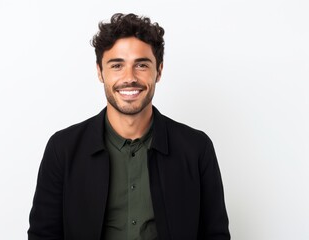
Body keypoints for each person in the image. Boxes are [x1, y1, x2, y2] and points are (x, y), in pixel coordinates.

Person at [28, 13, 230, 240]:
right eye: (117, 65)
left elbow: (215, 235)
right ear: (99, 71)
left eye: (141, 65)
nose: (129, 77)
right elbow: (42, 235)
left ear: (159, 71)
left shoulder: (196, 148)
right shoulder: (63, 149)